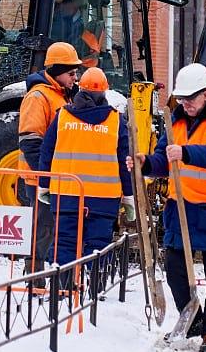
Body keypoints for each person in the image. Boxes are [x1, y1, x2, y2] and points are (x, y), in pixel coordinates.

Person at [140, 62, 206, 352]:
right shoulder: (176, 122)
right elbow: (163, 159)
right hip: (181, 207)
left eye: (190, 99)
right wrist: (146, 163)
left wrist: (184, 153)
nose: (185, 104)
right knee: (175, 270)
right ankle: (192, 319)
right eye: (181, 99)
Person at [38, 66, 133, 267]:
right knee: (98, 247)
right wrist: (128, 196)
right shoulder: (116, 121)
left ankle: (62, 291)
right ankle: (94, 292)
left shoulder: (62, 117)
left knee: (64, 244)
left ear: (81, 89)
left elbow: (46, 154)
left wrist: (44, 185)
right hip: (104, 200)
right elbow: (126, 163)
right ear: (105, 92)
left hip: (66, 195)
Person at [16, 42, 81, 272]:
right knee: (42, 228)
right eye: (71, 73)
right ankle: (33, 274)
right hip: (40, 179)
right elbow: (30, 142)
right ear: (56, 72)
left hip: (55, 177)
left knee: (50, 228)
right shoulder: (39, 97)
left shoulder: (62, 96)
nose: (76, 78)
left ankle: (44, 274)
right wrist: (46, 176)